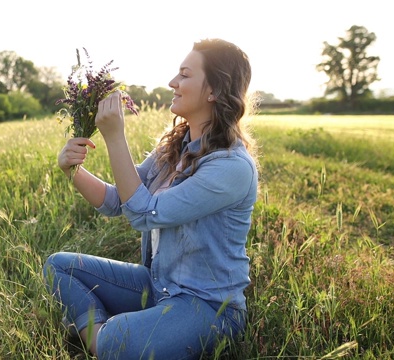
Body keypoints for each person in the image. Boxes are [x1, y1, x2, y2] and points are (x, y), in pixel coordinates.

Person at [43, 38, 259, 359]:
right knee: (59, 266)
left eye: (185, 75)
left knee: (118, 340)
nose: (173, 82)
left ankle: (106, 339)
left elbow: (144, 213)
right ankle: (104, 339)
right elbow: (118, 201)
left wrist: (116, 136)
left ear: (214, 90)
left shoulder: (231, 166)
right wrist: (72, 170)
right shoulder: (175, 146)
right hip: (159, 286)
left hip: (208, 307)